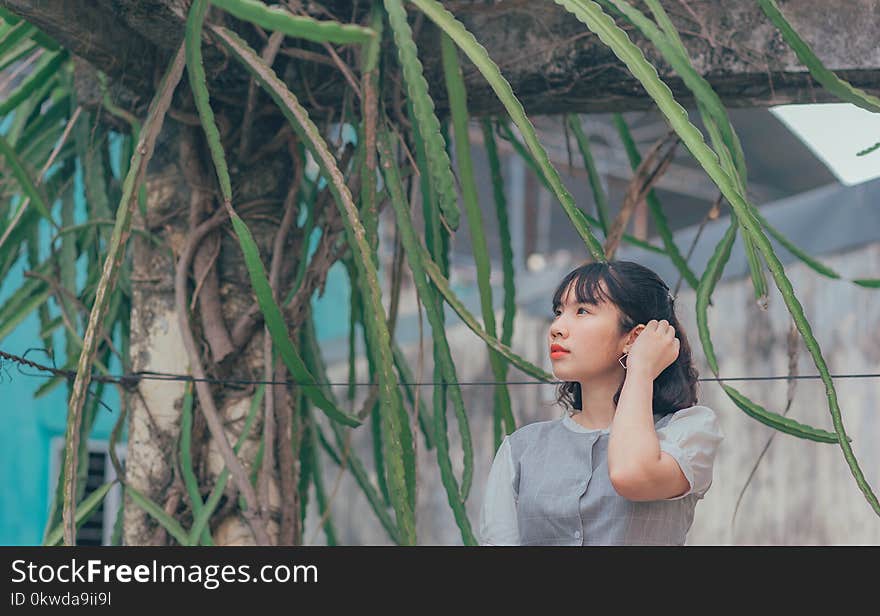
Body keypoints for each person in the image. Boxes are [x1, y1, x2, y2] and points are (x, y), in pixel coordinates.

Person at [478, 260, 724, 546]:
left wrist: (641, 368)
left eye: (583, 311)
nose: (557, 327)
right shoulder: (519, 449)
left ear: (634, 337)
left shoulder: (689, 432)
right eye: (558, 312)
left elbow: (631, 474)